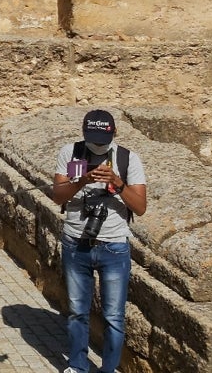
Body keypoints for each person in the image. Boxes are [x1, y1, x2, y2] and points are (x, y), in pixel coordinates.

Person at [51, 109, 148, 373]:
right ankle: (78, 367)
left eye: (102, 140)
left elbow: (140, 207)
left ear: (114, 133)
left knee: (114, 317)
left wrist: (117, 183)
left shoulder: (129, 159)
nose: (97, 146)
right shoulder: (71, 153)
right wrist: (82, 180)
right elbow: (58, 197)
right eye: (92, 139)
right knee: (77, 312)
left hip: (114, 246)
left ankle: (109, 369)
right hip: (76, 242)